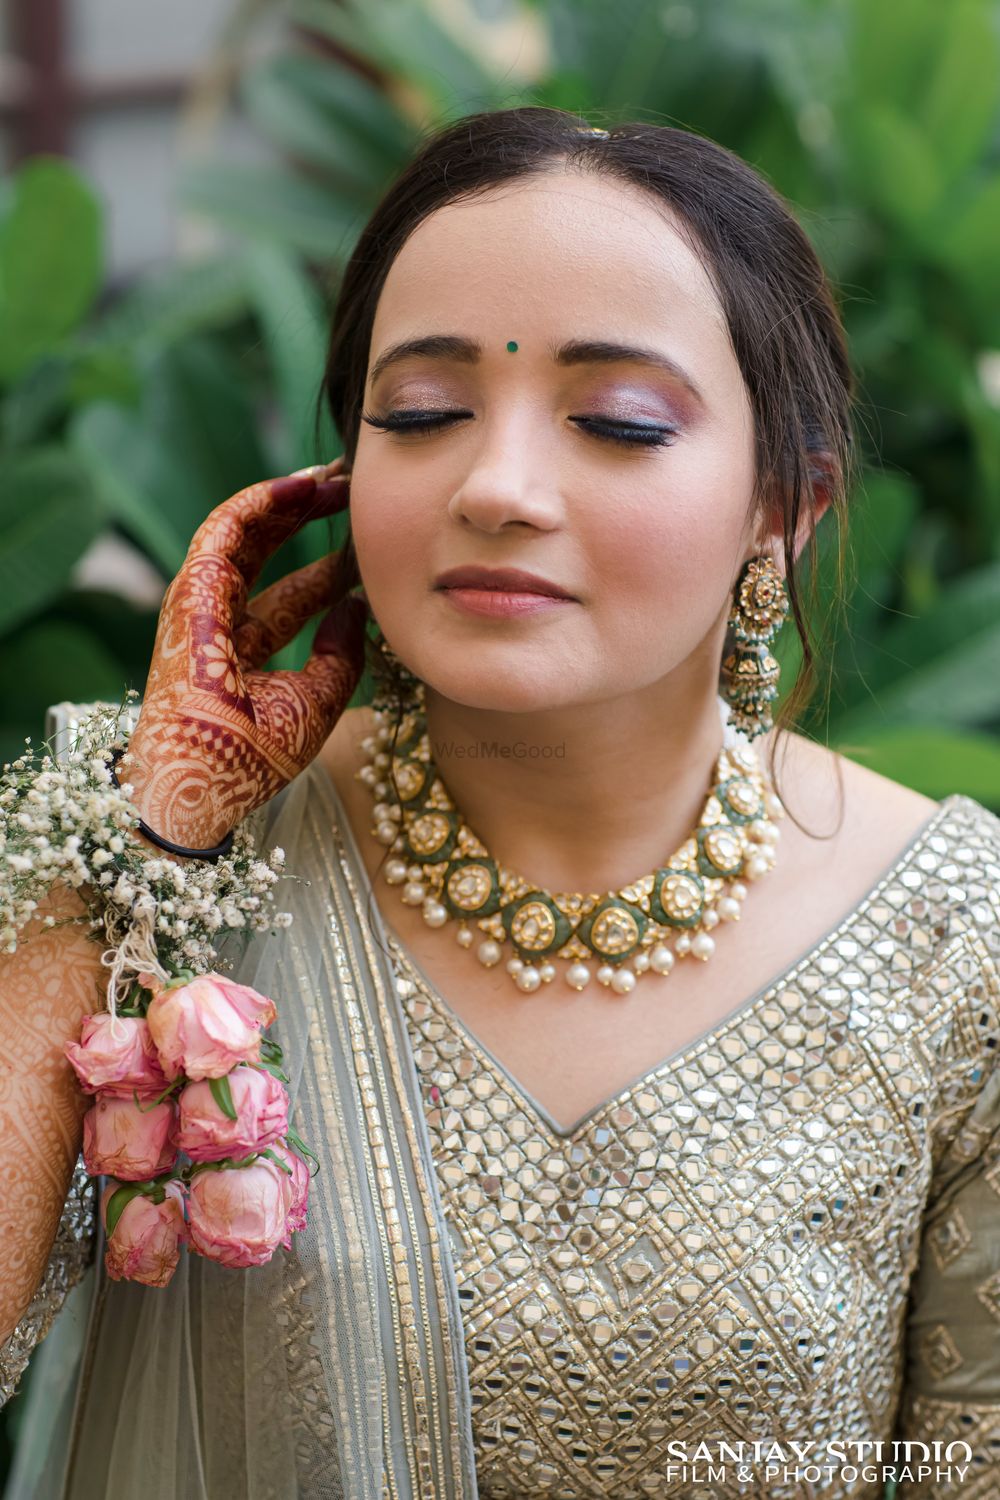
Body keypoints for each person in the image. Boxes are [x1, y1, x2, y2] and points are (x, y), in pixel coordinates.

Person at [2, 104, 998, 1500]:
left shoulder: (957, 938)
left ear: (789, 502)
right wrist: (150, 838)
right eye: (423, 413)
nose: (498, 486)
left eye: (617, 420)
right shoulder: (176, 854)